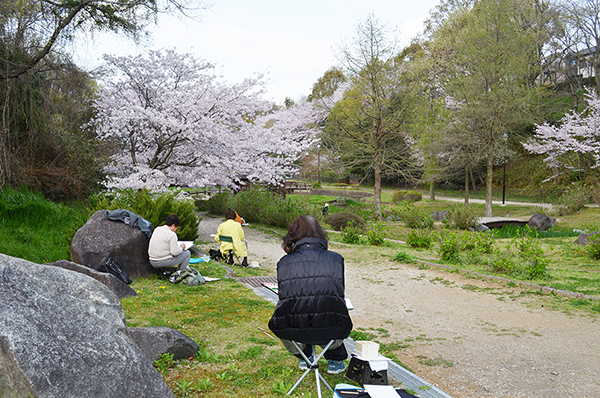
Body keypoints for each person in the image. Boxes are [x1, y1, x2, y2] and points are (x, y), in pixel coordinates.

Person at [268, 215, 353, 375]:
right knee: (329, 314)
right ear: (320, 234)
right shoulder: (336, 259)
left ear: (292, 235)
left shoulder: (284, 262)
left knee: (284, 320)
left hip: (292, 329)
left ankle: (305, 356)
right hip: (333, 328)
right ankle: (335, 360)